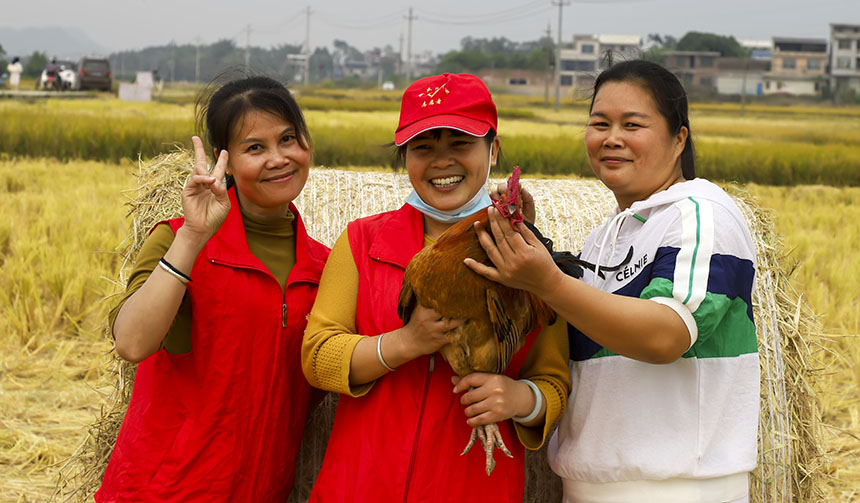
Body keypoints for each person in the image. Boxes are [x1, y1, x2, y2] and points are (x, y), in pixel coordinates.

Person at [466, 59, 759, 503]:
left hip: (676, 490)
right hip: (592, 487)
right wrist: (529, 242)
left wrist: (547, 283)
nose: (612, 138)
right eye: (600, 123)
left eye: (632, 124)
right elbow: (586, 316)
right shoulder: (607, 236)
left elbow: (665, 335)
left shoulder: (700, 213)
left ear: (679, 138)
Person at [301, 73, 570, 503]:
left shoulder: (529, 258)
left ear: (494, 150)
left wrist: (522, 398)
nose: (442, 161)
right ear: (405, 157)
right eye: (423, 148)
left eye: (461, 144)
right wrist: (405, 342)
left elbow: (554, 380)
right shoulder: (362, 242)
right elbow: (317, 357)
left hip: (474, 487)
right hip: (361, 484)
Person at [96, 76, 330, 502]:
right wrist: (193, 235)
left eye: (288, 139)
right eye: (255, 147)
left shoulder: (324, 266)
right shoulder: (176, 239)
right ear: (225, 161)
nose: (278, 158)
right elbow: (131, 342)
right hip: (166, 489)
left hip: (262, 490)